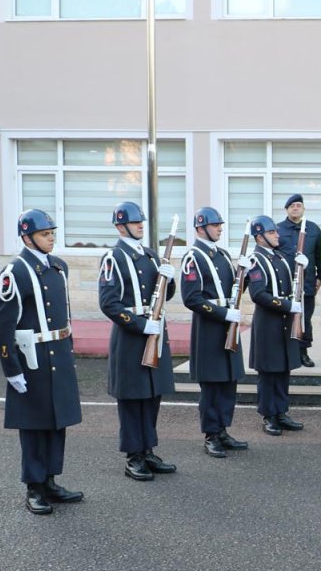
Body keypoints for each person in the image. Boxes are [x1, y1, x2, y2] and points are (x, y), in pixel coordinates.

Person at [0, 209, 83, 514]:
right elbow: (2, 324)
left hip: (57, 351)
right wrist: (11, 369)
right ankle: (34, 486)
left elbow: (64, 312)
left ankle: (51, 480)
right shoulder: (14, 272)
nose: (51, 238)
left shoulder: (59, 267)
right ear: (27, 236)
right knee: (33, 425)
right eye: (45, 234)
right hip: (33, 359)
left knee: (57, 421)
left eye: (52, 233)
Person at [98, 201, 178, 481]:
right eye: (135, 222)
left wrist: (170, 278)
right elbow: (109, 304)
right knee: (133, 399)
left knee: (152, 394)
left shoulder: (151, 255)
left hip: (155, 330)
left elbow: (164, 295)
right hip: (132, 335)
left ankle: (147, 449)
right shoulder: (114, 258)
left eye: (141, 221)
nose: (141, 225)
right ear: (121, 226)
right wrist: (142, 325)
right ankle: (134, 456)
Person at [180, 206, 248, 458]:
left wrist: (245, 274)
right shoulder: (193, 257)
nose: (220, 228)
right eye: (215, 224)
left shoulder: (222, 255)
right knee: (212, 385)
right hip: (209, 327)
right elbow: (192, 298)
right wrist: (223, 314)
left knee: (228, 381)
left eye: (220, 224)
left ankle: (222, 430)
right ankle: (211, 434)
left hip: (227, 325)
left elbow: (232, 290)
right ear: (200, 228)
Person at [246, 215, 305, 436]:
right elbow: (259, 294)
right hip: (269, 322)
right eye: (272, 233)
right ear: (259, 237)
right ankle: (268, 415)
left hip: (283, 321)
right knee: (269, 371)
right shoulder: (255, 260)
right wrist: (288, 305)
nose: (277, 235)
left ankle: (281, 411)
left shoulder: (278, 257)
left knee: (283, 368)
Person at [276, 193, 321, 368]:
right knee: (285, 317)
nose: (295, 208)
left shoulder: (313, 229)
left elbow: (319, 255)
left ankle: (303, 352)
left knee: (305, 318)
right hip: (285, 283)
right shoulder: (278, 229)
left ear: (303, 208)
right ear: (286, 209)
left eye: (298, 205)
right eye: (292, 206)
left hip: (307, 282)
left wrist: (319, 277)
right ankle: (288, 352)